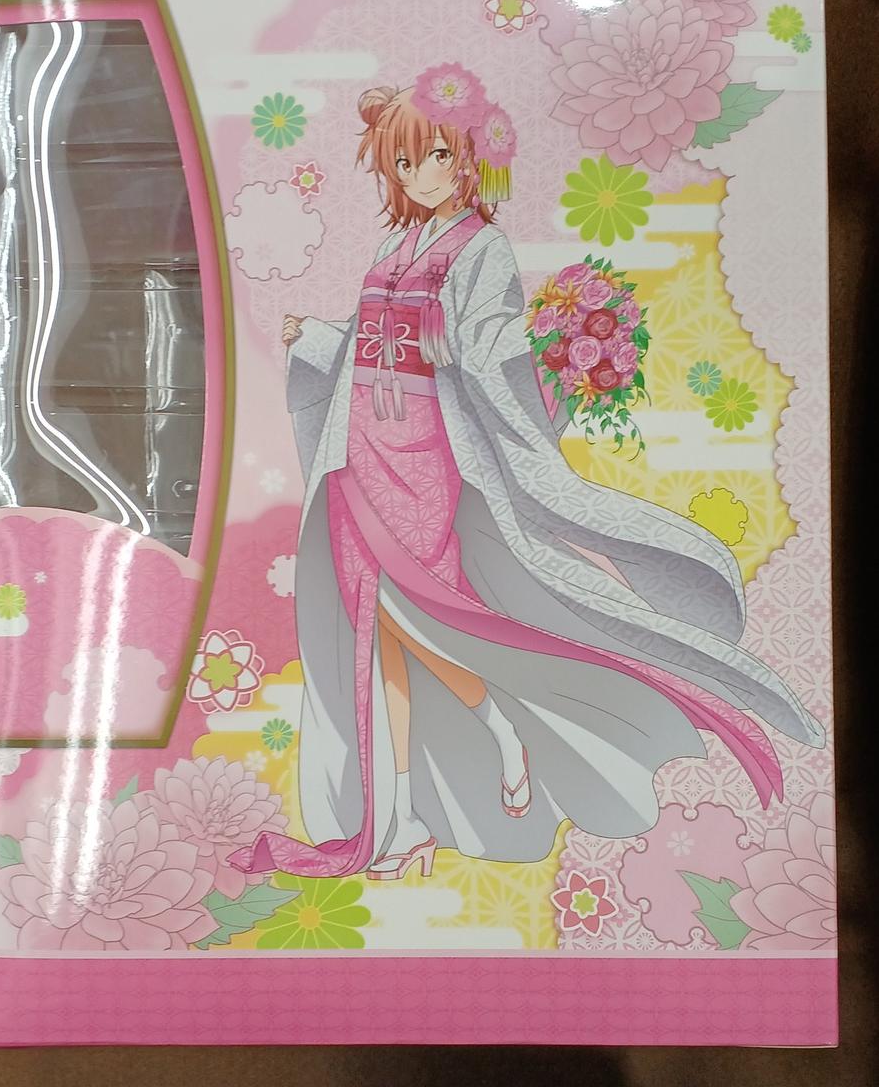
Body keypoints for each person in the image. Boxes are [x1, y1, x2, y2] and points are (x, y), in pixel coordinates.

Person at [229, 65, 823, 884]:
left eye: (434, 155)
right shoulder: (393, 243)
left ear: (468, 157)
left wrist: (538, 337)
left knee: (423, 613)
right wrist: (320, 337)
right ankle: (396, 821)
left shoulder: (482, 247)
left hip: (422, 456)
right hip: (357, 448)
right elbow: (370, 336)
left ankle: (500, 726)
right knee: (374, 634)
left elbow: (486, 347)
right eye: (402, 162)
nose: (419, 174)